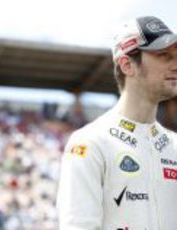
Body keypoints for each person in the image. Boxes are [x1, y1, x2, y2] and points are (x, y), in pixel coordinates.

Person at [56, 16, 177, 230]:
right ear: (127, 65)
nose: (175, 65)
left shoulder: (174, 145)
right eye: (164, 55)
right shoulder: (89, 143)